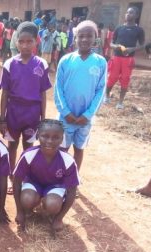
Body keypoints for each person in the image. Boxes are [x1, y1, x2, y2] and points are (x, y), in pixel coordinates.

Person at [1, 22, 51, 192]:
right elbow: (5, 93)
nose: (25, 45)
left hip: (32, 113)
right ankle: (11, 176)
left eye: (29, 41)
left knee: (28, 146)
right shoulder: (9, 64)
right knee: (12, 146)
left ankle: (23, 175)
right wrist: (2, 118)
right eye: (21, 41)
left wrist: (43, 118)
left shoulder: (41, 64)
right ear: (16, 42)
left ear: (36, 42)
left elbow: (43, 93)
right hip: (13, 112)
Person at [54, 20, 107, 171]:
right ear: (75, 38)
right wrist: (66, 112)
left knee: (79, 149)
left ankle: (74, 179)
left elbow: (100, 91)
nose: (84, 39)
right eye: (81, 36)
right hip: (66, 116)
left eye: (89, 36)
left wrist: (88, 114)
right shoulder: (66, 60)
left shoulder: (100, 62)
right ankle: (59, 176)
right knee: (62, 149)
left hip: (86, 118)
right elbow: (58, 88)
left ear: (95, 38)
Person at [13, 119, 79, 232]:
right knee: (27, 199)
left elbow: (72, 191)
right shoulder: (28, 155)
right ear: (38, 135)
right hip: (33, 183)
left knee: (52, 205)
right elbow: (17, 182)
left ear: (62, 138)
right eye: (45, 136)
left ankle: (48, 209)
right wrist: (20, 211)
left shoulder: (68, 160)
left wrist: (59, 218)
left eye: (56, 137)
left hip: (55, 186)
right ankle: (31, 207)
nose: (50, 141)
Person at [105, 7, 145, 109]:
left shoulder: (139, 30)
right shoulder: (119, 28)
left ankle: (120, 102)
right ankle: (106, 97)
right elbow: (111, 43)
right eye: (127, 12)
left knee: (125, 80)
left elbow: (142, 46)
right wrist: (116, 46)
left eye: (131, 13)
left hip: (128, 59)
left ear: (136, 16)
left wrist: (132, 49)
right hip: (116, 57)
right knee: (111, 78)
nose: (128, 14)